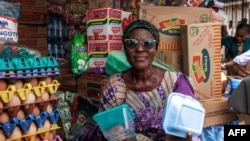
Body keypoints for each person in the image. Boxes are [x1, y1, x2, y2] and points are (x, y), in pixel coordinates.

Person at [100, 20, 196, 141]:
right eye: (131, 43)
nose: (140, 49)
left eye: (148, 43)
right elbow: (110, 130)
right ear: (124, 48)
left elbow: (188, 125)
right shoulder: (115, 85)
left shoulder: (176, 82)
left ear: (156, 48)